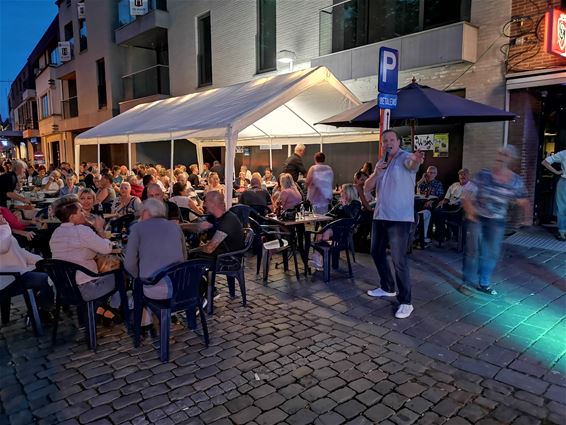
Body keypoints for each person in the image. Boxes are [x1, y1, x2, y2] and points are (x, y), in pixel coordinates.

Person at [364, 129, 424, 319]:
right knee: (375, 252)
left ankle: (406, 302)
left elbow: (413, 165)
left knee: (399, 260)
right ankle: (387, 287)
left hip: (399, 218)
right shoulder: (381, 162)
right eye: (385, 141)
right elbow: (367, 187)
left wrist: (417, 158)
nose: (388, 143)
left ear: (398, 142)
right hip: (380, 215)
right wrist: (376, 173)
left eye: (391, 140)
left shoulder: (405, 158)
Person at [463, 145, 530, 295]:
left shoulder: (515, 181)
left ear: (511, 159)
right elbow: (467, 193)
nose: (502, 157)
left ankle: (484, 283)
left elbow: (524, 201)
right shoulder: (484, 174)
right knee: (472, 250)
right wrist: (470, 211)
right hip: (477, 217)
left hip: (497, 221)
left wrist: (526, 219)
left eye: (506, 155)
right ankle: (467, 282)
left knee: (491, 253)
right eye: (500, 153)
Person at [49, 195, 120, 313]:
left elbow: (79, 251)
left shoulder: (56, 233)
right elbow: (106, 248)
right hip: (84, 290)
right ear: (72, 217)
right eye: (80, 211)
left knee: (102, 267)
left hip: (62, 289)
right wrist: (100, 229)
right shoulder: (81, 231)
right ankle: (112, 311)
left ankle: (100, 310)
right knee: (120, 274)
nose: (84, 213)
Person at [124, 198, 188, 302]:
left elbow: (129, 264)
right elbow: (184, 257)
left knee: (138, 284)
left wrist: (139, 277)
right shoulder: (175, 227)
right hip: (180, 283)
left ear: (146, 212)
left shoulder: (138, 228)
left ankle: (142, 315)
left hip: (158, 287)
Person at [0, 217, 54, 320]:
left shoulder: (2, 231)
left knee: (48, 271)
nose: (2, 216)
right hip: (7, 279)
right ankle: (43, 310)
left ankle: (39, 310)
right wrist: (5, 227)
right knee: (45, 279)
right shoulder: (4, 230)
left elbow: (19, 251)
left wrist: (41, 261)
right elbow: (3, 247)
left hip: (17, 273)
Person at [309, 184, 361, 271]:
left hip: (344, 230)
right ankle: (318, 258)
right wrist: (322, 216)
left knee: (325, 233)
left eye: (342, 191)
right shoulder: (340, 203)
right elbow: (330, 213)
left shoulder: (356, 204)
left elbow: (352, 217)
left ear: (348, 193)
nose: (340, 193)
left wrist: (344, 205)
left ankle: (321, 259)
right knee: (319, 233)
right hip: (334, 227)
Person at [432, 168, 470, 243]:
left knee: (455, 217)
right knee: (437, 211)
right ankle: (441, 236)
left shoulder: (472, 187)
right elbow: (446, 199)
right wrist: (442, 202)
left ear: (469, 176)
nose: (462, 176)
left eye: (464, 174)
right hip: (450, 206)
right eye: (461, 175)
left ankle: (459, 238)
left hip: (461, 208)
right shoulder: (454, 185)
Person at [416, 166, 445, 243]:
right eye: (429, 172)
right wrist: (422, 179)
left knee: (429, 210)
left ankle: (426, 235)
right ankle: (417, 234)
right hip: (421, 202)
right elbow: (417, 191)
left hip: (433, 203)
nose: (431, 174)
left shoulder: (438, 183)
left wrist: (432, 201)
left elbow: (440, 196)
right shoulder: (423, 183)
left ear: (436, 174)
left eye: (433, 173)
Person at [541, 149, 566, 241]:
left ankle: (562, 232)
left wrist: (556, 172)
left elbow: (545, 162)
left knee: (562, 207)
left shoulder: (563, 153)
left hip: (564, 182)